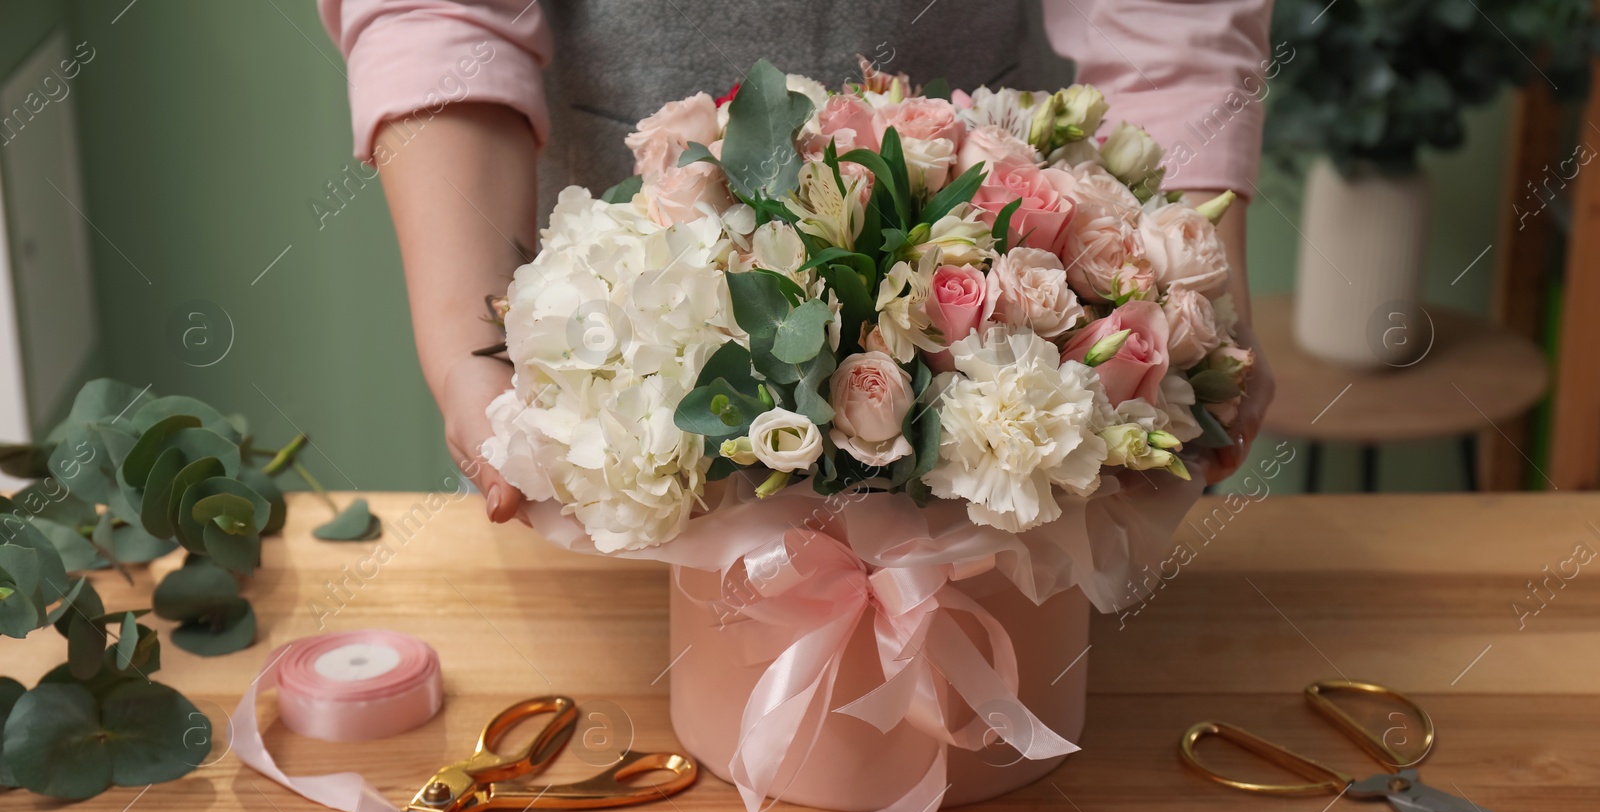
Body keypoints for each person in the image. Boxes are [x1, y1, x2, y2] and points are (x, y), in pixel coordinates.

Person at [319, 0, 1276, 522]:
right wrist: (471, 352)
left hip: (1000, 357)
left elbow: (1167, 14)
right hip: (617, 354)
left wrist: (1179, 298)